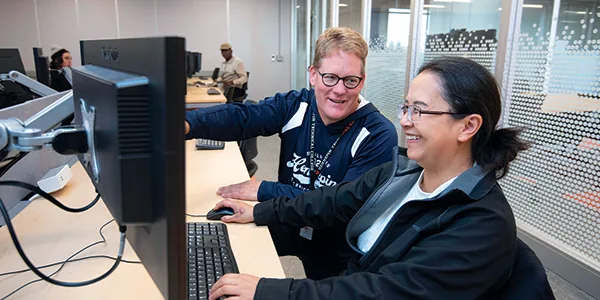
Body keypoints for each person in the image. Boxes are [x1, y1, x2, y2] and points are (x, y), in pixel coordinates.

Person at [207, 56, 530, 300]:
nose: (405, 122)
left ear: (468, 126)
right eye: (406, 108)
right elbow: (332, 200)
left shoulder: (480, 224)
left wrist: (273, 292)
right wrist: (260, 211)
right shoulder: (403, 173)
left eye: (419, 110)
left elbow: (386, 291)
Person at [186, 27, 398, 279]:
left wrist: (266, 190)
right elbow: (245, 117)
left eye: (350, 80)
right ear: (312, 74)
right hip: (290, 218)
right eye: (330, 77)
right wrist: (188, 124)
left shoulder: (378, 134)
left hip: (334, 242)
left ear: (362, 81)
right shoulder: (296, 105)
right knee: (218, 247)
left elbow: (337, 207)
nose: (339, 90)